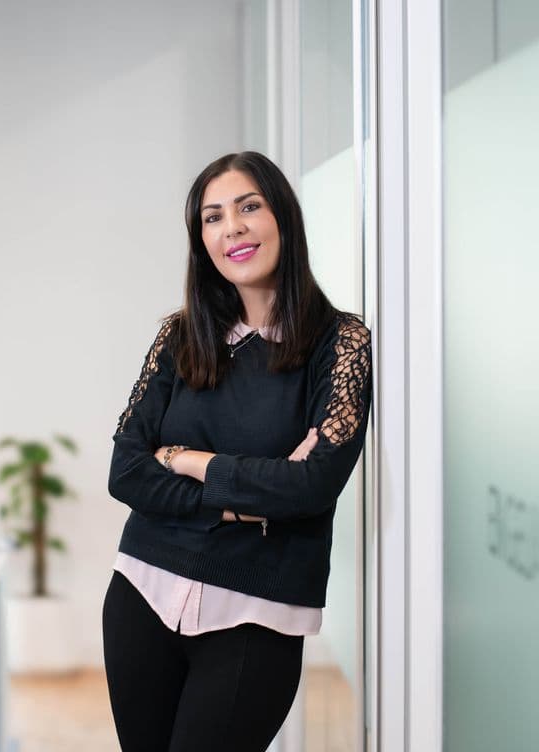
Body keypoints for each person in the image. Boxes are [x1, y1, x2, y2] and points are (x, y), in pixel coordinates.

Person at [103, 151, 372, 751]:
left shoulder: (342, 343)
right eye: (213, 217)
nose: (233, 229)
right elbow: (125, 471)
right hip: (142, 592)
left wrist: (187, 460)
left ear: (283, 217)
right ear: (202, 240)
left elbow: (311, 487)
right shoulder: (179, 337)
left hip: (259, 609)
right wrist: (245, 499)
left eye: (249, 207)